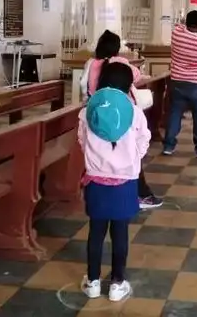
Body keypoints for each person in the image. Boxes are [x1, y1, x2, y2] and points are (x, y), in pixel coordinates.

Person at [79, 63, 150, 302]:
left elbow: (82, 140)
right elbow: (144, 141)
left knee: (96, 232)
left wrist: (97, 162)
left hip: (95, 180)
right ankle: (118, 284)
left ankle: (93, 282)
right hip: (126, 181)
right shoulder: (135, 112)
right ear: (129, 85)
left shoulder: (88, 110)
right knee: (120, 233)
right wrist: (131, 160)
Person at [81, 30, 163, 209]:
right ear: (117, 48)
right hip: (121, 114)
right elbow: (135, 76)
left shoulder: (91, 63)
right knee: (127, 152)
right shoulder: (119, 62)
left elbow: (83, 85)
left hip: (97, 113)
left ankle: (98, 186)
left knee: (100, 152)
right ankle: (141, 195)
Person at [164, 11, 197, 158]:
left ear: (186, 23)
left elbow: (179, 25)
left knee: (174, 114)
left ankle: (168, 146)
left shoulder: (177, 35)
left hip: (177, 82)